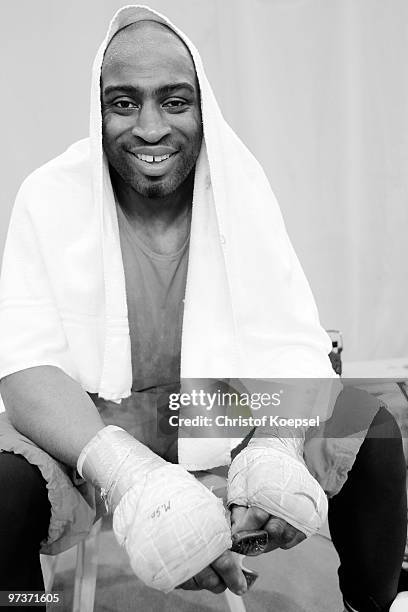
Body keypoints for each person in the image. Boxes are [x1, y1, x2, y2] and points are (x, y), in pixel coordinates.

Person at [0, 6, 405, 612]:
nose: (151, 129)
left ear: (201, 106)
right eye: (125, 103)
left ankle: (372, 605)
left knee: (370, 432)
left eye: (174, 100)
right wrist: (130, 472)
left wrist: (276, 446)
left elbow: (293, 339)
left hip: (218, 408)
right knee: (1, 490)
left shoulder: (241, 186)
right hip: (91, 424)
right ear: (99, 108)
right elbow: (24, 368)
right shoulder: (47, 196)